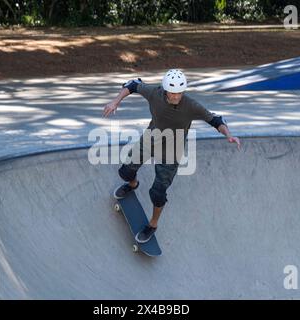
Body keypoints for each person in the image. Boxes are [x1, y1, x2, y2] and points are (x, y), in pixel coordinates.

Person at [103, 69, 241, 243]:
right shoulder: (154, 93)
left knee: (158, 193)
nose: (176, 97)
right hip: (151, 139)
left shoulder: (191, 105)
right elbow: (133, 85)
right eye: (172, 93)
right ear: (165, 89)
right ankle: (133, 184)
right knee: (125, 172)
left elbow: (216, 120)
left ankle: (153, 225)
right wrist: (115, 102)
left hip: (172, 150)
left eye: (179, 93)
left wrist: (228, 135)